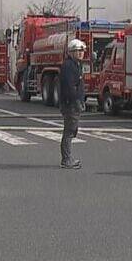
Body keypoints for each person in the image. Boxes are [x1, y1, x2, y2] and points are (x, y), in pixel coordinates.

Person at [58, 38, 86, 169]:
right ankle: (66, 159)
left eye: (82, 50)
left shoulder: (76, 64)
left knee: (71, 130)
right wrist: (75, 100)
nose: (81, 53)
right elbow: (69, 87)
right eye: (78, 50)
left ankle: (68, 158)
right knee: (69, 131)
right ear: (71, 52)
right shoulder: (68, 66)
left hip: (75, 103)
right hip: (71, 104)